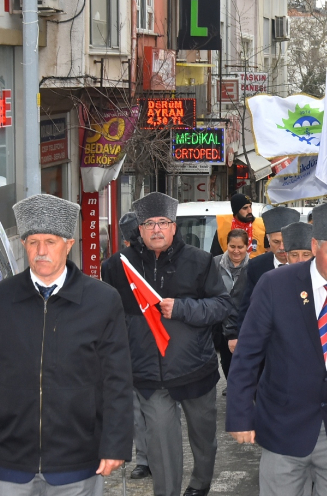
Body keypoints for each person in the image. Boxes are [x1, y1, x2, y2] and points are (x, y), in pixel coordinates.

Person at [225, 200, 327, 496]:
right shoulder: (275, 285)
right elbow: (248, 354)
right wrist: (240, 415)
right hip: (283, 427)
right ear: (315, 246)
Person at [0, 194, 133, 495]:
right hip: (9, 461)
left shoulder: (102, 300)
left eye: (50, 241)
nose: (41, 251)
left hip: (77, 459)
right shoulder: (2, 299)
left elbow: (117, 380)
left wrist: (115, 444)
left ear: (69, 245)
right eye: (33, 242)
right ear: (23, 245)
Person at [101, 192, 232, 496]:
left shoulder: (200, 261)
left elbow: (222, 306)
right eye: (150, 223)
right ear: (140, 228)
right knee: (160, 446)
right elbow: (106, 315)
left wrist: (184, 308)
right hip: (148, 374)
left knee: (204, 441)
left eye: (163, 222)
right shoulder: (117, 267)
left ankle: (200, 485)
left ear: (174, 227)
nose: (157, 229)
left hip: (195, 369)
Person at [106, 211, 150, 480]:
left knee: (141, 406)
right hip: (136, 338)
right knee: (147, 405)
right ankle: (149, 457)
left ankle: (147, 458)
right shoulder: (113, 265)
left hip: (135, 338)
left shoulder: (110, 264)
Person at [230, 206, 300, 343]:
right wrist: (238, 336)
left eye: (285, 242)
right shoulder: (257, 266)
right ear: (268, 240)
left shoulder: (305, 264)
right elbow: (245, 305)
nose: (282, 247)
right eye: (276, 242)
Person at [213, 228, 250, 379]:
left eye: (240, 247)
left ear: (247, 247)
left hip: (243, 324)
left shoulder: (253, 267)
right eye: (232, 246)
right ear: (226, 245)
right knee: (226, 361)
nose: (236, 251)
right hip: (219, 324)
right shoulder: (215, 264)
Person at [210, 193, 266, 258]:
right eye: (245, 208)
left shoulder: (262, 225)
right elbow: (215, 256)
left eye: (250, 206)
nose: (250, 211)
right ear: (236, 211)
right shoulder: (223, 227)